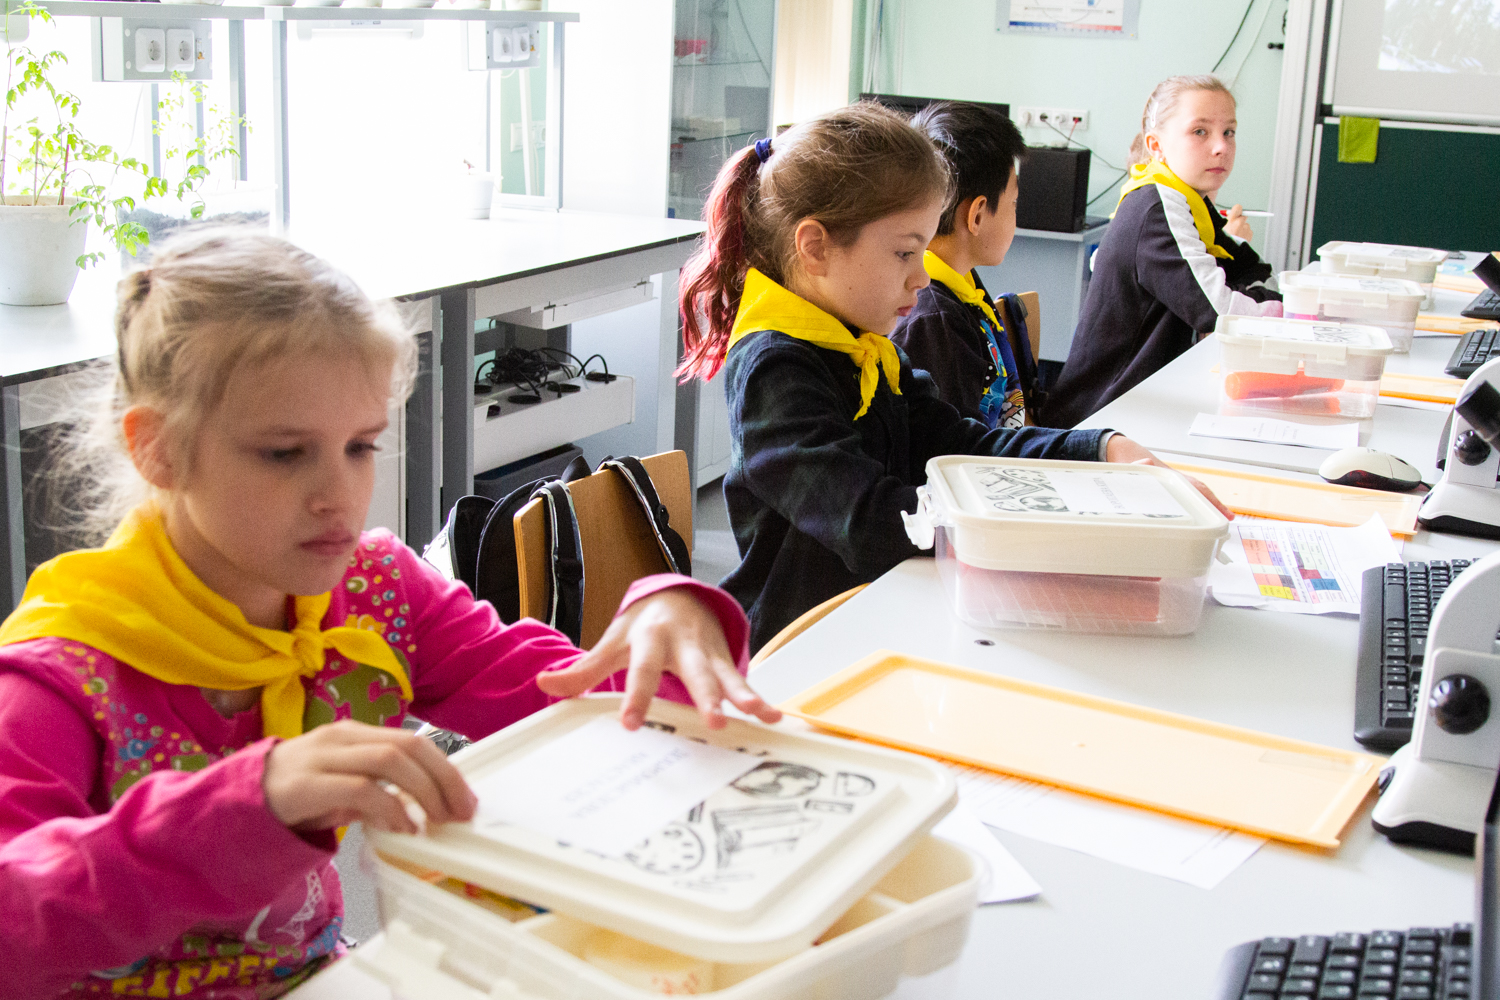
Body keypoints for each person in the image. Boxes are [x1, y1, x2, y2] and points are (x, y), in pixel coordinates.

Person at [0, 229, 781, 998]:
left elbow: (592, 707)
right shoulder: (60, 678)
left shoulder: (374, 593)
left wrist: (664, 626)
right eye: (284, 453)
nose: (337, 495)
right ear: (159, 449)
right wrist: (249, 802)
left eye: (361, 446)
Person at [676, 102, 1231, 654]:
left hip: (887, 611)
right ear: (815, 248)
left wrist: (1101, 450)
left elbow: (966, 445)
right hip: (806, 645)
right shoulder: (775, 369)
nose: (922, 277)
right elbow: (869, 524)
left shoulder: (863, 345)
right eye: (904, 252)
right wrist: (1041, 529)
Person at [1041, 74, 1283, 430]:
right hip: (1103, 418)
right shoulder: (1156, 207)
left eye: (1229, 132)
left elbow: (1254, 271)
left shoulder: (1191, 204)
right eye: (1200, 131)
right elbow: (1221, 312)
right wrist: (1281, 306)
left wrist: (1256, 295)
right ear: (1156, 145)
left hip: (1151, 402)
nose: (1221, 146)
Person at [891, 101, 1031, 428]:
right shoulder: (934, 320)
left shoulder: (963, 281)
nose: (1016, 213)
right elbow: (954, 447)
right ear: (977, 215)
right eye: (1013, 203)